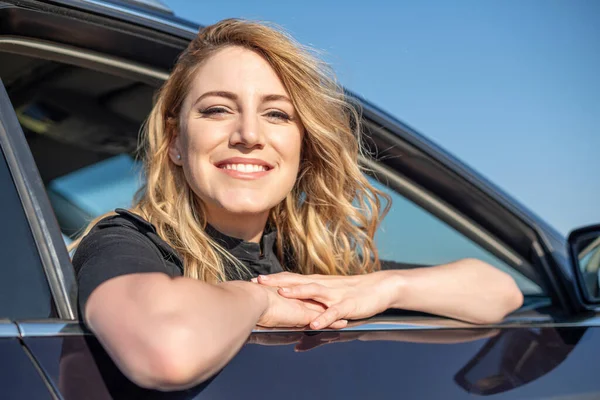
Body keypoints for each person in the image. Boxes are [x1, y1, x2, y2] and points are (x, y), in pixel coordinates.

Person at [71, 18, 523, 392]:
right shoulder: (125, 242)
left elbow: (499, 292)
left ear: (302, 146)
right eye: (217, 110)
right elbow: (166, 349)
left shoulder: (308, 263)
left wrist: (386, 288)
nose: (249, 135)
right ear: (174, 141)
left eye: (277, 114)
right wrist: (260, 301)